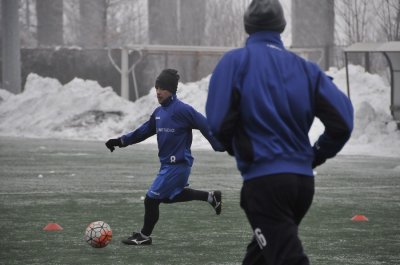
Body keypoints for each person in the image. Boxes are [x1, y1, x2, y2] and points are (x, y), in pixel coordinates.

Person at [205, 0, 354, 264]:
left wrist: (236, 147)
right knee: (260, 256)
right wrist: (315, 154)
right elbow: (343, 121)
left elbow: (217, 124)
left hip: (265, 184)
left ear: (247, 26)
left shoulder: (235, 62)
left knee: (286, 258)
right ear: (282, 26)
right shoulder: (306, 68)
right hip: (302, 185)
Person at [105, 68, 225, 246]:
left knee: (151, 199)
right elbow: (143, 131)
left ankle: (144, 236)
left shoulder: (183, 110)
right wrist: (121, 141)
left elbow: (205, 125)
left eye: (163, 88)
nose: (158, 92)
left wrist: (218, 144)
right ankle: (210, 197)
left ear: (172, 90)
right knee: (169, 197)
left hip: (178, 165)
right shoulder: (159, 113)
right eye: (157, 88)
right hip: (167, 166)